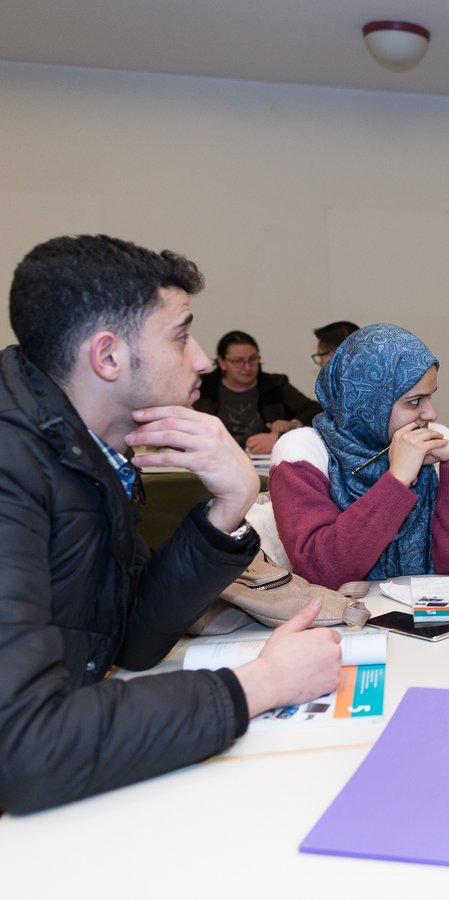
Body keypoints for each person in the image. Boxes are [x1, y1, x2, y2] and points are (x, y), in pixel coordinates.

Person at [0, 235, 342, 814]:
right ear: (107, 357)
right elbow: (24, 750)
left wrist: (228, 505)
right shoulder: (12, 467)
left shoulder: (87, 451)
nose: (203, 359)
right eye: (182, 335)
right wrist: (260, 686)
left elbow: (130, 641)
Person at [269, 323, 449, 589]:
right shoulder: (303, 453)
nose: (431, 414)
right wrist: (397, 480)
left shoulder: (441, 443)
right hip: (347, 624)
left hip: (428, 614)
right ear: (369, 403)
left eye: (430, 398)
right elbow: (321, 571)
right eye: (414, 402)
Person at [193, 330, 322, 454]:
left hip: (263, 463)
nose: (247, 367)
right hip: (211, 458)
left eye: (253, 359)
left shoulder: (274, 385)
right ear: (222, 363)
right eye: (238, 361)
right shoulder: (203, 387)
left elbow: (315, 409)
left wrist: (293, 424)